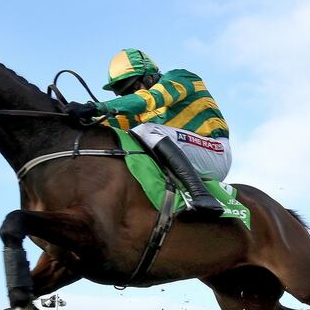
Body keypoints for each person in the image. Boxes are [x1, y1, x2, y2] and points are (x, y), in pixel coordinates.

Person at [65, 49, 230, 218]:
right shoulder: (140, 112)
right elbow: (110, 123)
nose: (132, 94)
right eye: (125, 93)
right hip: (187, 155)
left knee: (146, 130)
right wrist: (71, 115)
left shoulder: (180, 77)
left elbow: (147, 99)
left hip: (215, 152)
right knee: (126, 139)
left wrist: (96, 106)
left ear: (149, 76)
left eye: (134, 87)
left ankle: (202, 195)